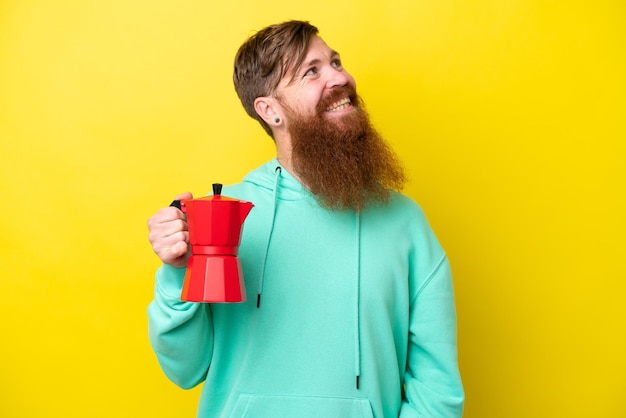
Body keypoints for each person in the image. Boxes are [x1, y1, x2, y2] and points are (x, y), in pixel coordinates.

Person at [147, 20, 464, 417]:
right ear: (270, 111)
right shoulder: (223, 216)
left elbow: (437, 390)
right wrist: (178, 271)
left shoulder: (404, 223)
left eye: (335, 61)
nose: (340, 76)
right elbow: (185, 368)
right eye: (311, 71)